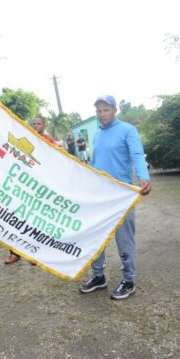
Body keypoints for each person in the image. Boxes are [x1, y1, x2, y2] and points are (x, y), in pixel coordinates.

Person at [79, 95, 152, 300]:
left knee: (124, 239)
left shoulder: (128, 130)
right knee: (96, 237)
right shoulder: (98, 135)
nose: (102, 114)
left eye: (105, 110)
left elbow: (137, 154)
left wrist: (144, 178)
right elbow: (95, 163)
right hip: (99, 196)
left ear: (114, 110)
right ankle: (98, 276)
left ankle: (128, 281)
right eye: (98, 111)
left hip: (121, 195)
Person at [5, 116, 55, 264]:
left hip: (41, 187)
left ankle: (36, 254)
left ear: (44, 125)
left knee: (38, 221)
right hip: (26, 185)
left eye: (39, 124)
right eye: (33, 123)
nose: (35, 126)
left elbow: (56, 161)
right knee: (18, 218)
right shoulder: (26, 139)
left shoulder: (49, 141)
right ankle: (15, 252)